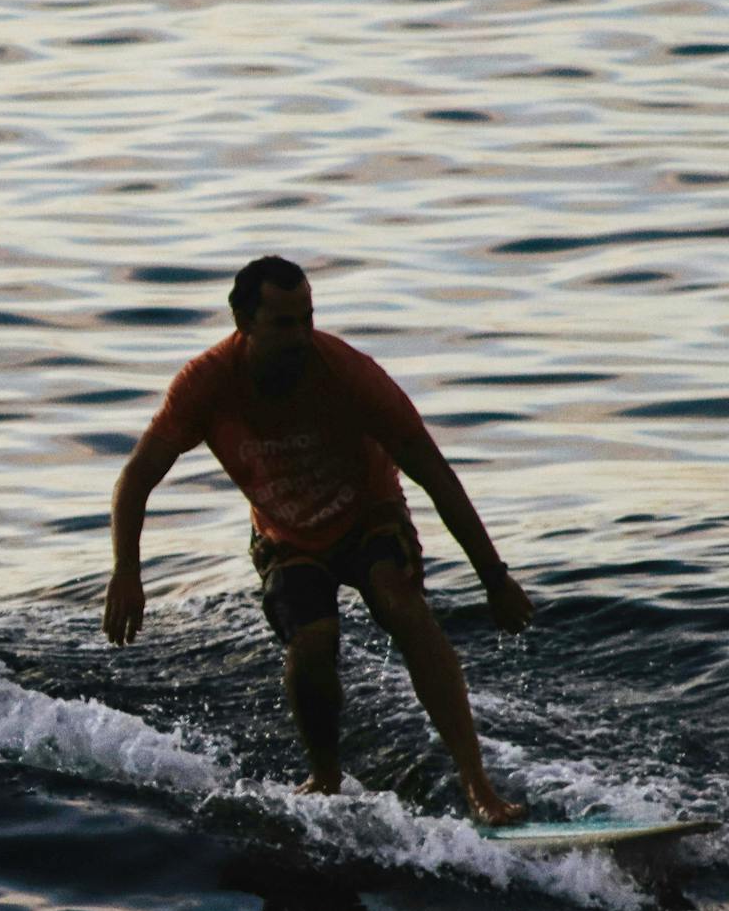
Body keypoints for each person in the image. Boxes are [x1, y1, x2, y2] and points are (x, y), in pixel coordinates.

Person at [102, 257, 532, 824]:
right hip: (288, 536)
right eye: (283, 324)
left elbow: (434, 473)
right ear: (243, 321)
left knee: (398, 601)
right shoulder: (205, 384)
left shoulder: (349, 375)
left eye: (307, 318)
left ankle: (479, 787)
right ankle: (326, 778)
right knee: (311, 643)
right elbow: (136, 477)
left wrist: (494, 579)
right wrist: (127, 571)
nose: (301, 336)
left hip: (369, 514)